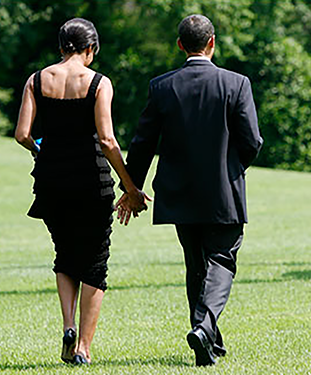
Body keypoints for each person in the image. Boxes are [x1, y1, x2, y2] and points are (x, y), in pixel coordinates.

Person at [117, 14, 263, 366]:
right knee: (222, 261)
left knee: (197, 264)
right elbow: (252, 141)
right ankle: (204, 328)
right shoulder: (237, 83)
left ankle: (209, 343)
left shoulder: (161, 86)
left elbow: (141, 143)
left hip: (179, 193)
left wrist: (132, 187)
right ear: (212, 42)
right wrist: (232, 170)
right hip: (223, 193)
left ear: (180, 44)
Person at [15, 18, 149, 365]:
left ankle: (68, 324)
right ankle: (83, 349)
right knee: (95, 261)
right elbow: (106, 140)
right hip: (91, 181)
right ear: (92, 49)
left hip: (51, 180)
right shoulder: (99, 83)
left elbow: (22, 134)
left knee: (65, 253)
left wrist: (40, 150)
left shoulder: (36, 80)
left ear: (62, 48)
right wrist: (130, 185)